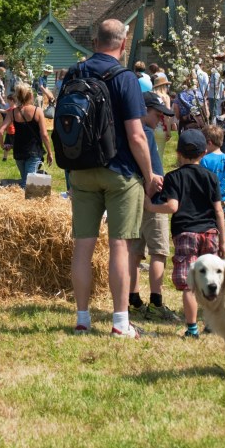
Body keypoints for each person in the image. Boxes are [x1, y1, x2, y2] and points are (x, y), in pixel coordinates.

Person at [63, 19, 159, 338]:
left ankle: (81, 319)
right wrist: (149, 175)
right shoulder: (124, 77)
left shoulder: (74, 73)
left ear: (94, 40)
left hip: (80, 171)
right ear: (123, 41)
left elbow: (64, 128)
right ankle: (120, 322)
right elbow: (137, 135)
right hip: (119, 171)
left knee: (83, 247)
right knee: (119, 245)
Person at [144, 129, 225, 339]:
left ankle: (192, 328)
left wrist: (151, 207)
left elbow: (172, 206)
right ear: (204, 152)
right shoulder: (211, 177)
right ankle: (210, 323)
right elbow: (218, 210)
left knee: (190, 285)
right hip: (210, 233)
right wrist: (223, 241)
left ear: (179, 152)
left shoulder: (174, 177)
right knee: (209, 282)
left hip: (186, 234)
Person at [128, 92, 178, 322]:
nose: (160, 119)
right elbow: (151, 169)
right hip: (154, 198)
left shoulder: (129, 130)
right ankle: (156, 301)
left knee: (134, 252)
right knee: (158, 251)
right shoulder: (145, 132)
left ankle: (134, 299)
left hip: (133, 196)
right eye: (157, 114)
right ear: (144, 109)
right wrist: (152, 186)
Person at [0, 83, 52, 187]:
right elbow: (44, 135)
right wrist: (50, 152)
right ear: (31, 96)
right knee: (27, 184)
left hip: (18, 151)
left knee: (26, 180)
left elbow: (0, 131)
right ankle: (25, 201)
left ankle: (29, 200)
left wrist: (3, 146)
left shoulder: (12, 112)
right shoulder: (37, 111)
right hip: (34, 151)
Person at [201, 125, 225, 264]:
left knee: (213, 228)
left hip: (211, 201)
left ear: (209, 142)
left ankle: (215, 254)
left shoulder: (205, 160)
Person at [150, 74, 174, 161]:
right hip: (161, 128)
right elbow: (167, 116)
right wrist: (168, 131)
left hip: (150, 127)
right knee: (159, 156)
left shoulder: (150, 95)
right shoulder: (165, 97)